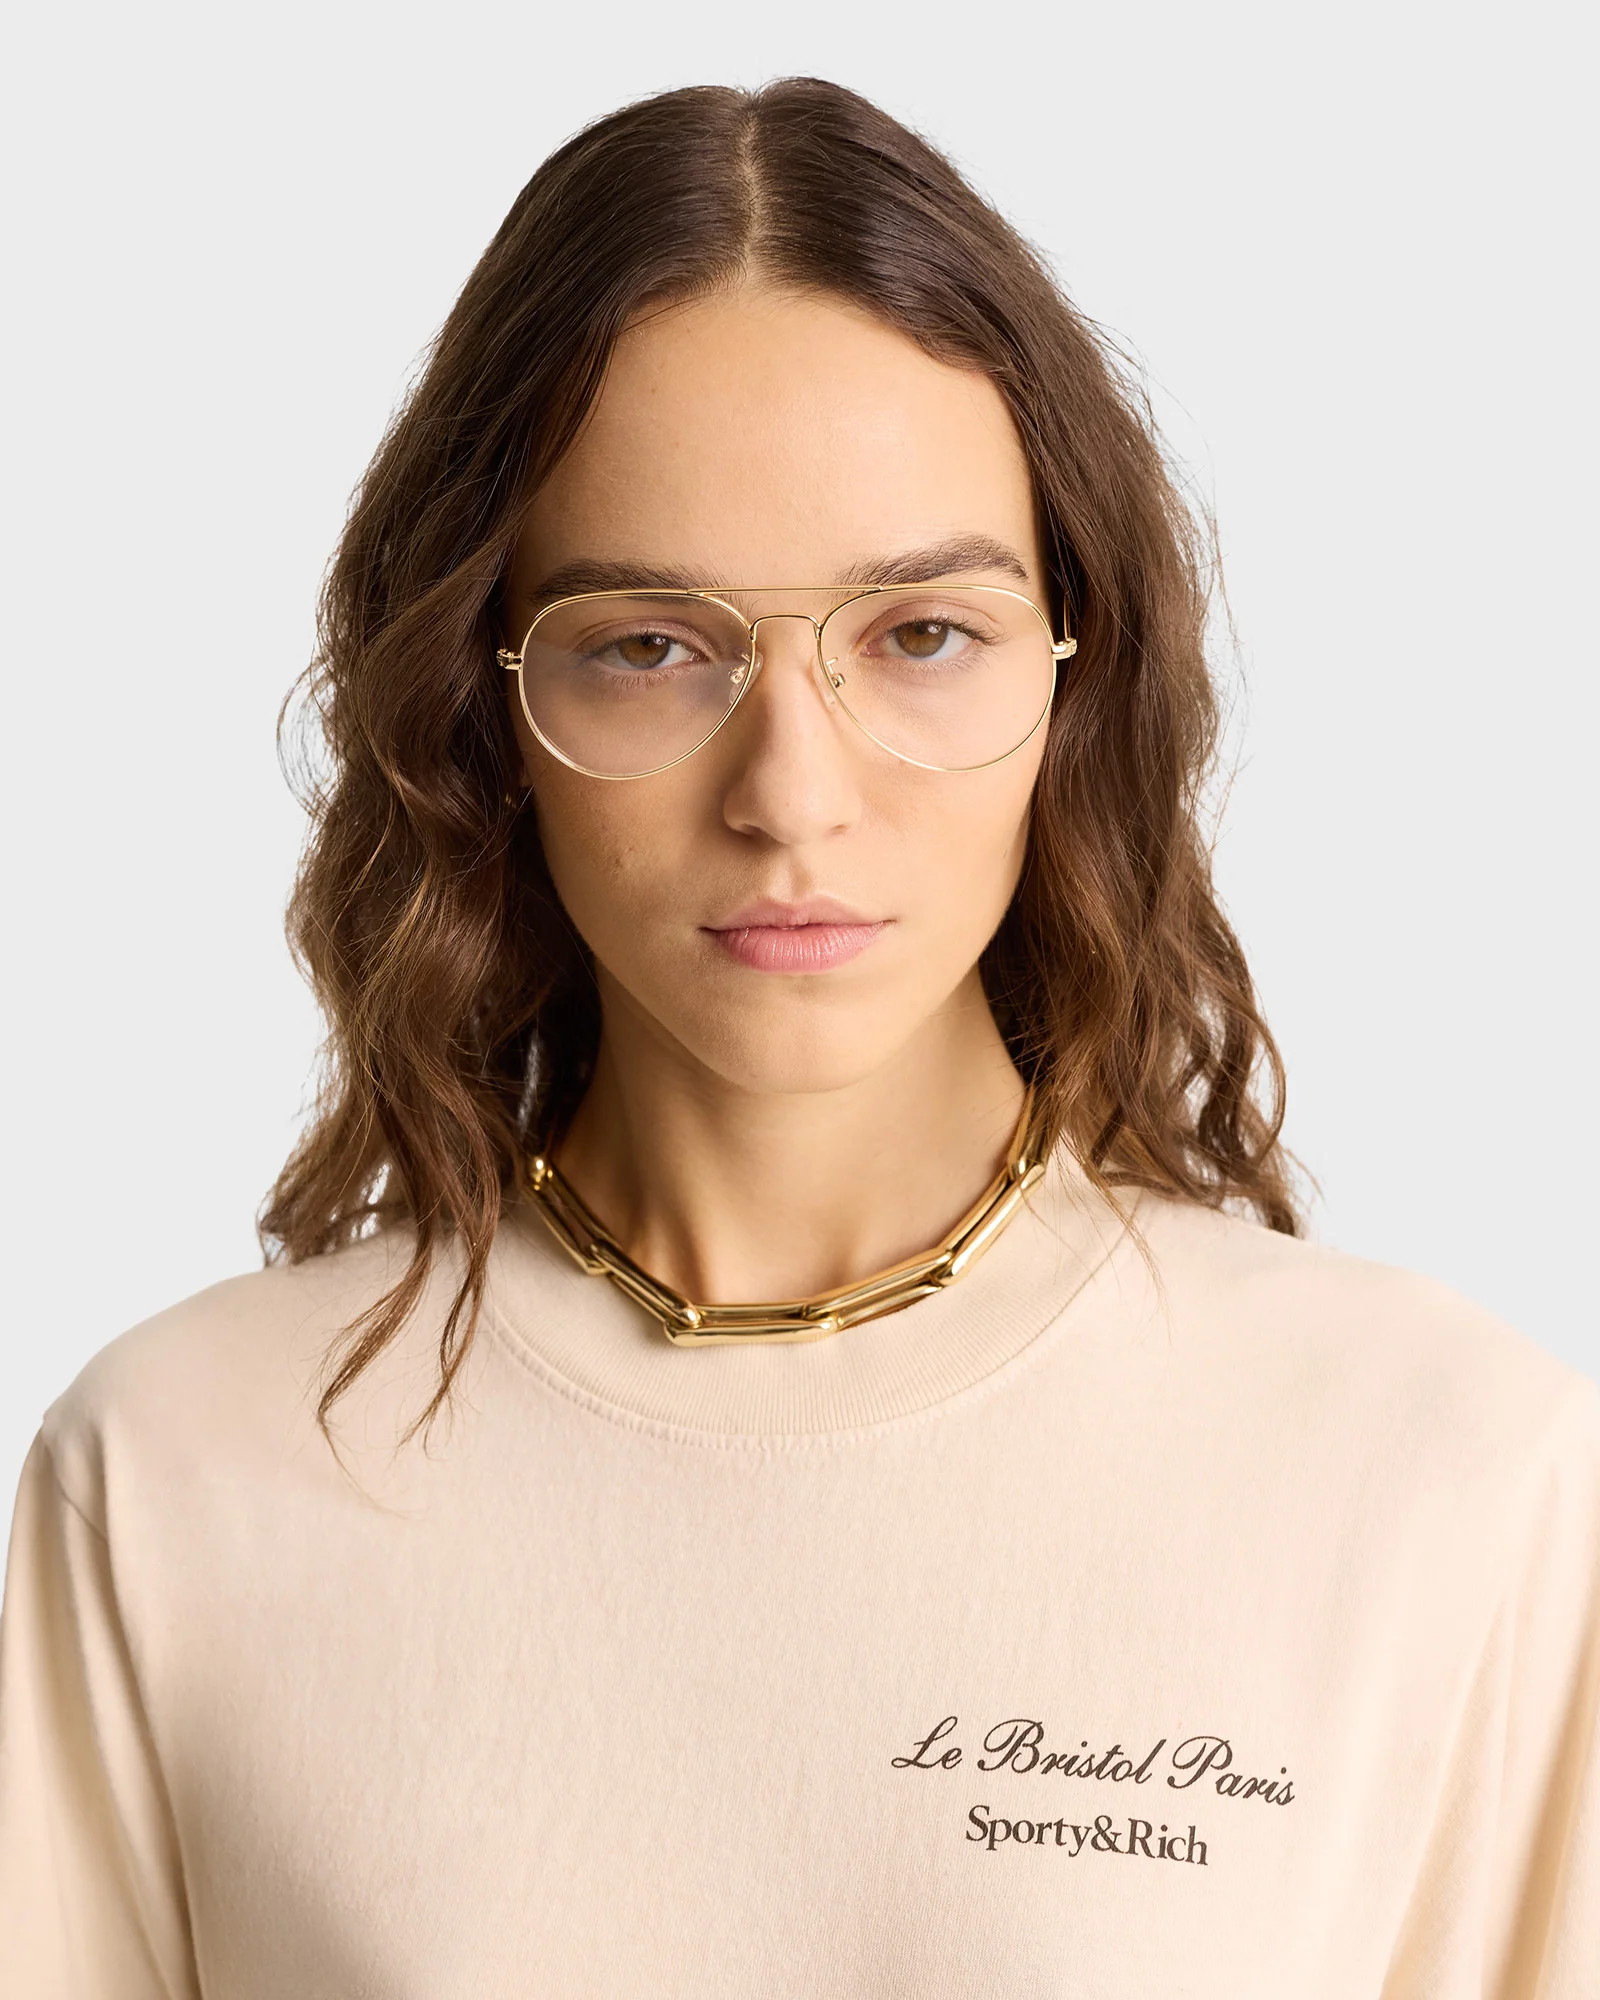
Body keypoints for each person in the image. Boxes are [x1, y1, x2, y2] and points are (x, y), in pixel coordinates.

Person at [1, 76, 1595, 1998]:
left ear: (1076, 677)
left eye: (920, 635)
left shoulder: (1450, 1475)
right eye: (649, 644)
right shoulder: (175, 1482)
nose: (791, 796)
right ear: (485, 709)